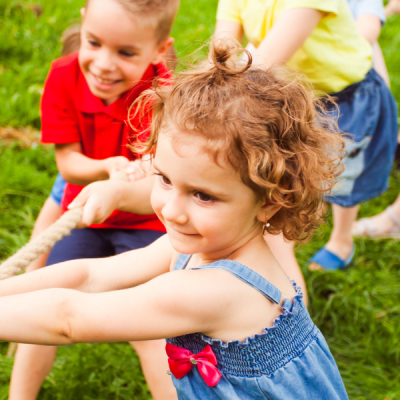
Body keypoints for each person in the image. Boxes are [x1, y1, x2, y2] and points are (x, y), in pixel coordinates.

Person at [0, 38, 348, 399]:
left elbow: (67, 318)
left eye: (203, 195)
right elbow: (91, 276)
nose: (171, 210)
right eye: (165, 179)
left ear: (270, 203)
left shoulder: (216, 291)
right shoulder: (203, 244)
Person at [8, 0, 179, 399]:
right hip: (85, 212)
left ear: (157, 50)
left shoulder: (164, 94)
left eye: (125, 52)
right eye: (94, 42)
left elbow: (163, 178)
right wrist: (109, 167)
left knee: (153, 330)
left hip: (144, 222)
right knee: (40, 310)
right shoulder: (63, 76)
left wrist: (126, 182)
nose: (104, 64)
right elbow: (67, 164)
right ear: (83, 24)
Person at [215, 0, 398, 271]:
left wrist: (218, 98)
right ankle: (277, 238)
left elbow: (258, 69)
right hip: (291, 93)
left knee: (340, 175)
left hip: (344, 99)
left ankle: (341, 239)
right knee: (289, 167)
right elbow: (222, 52)